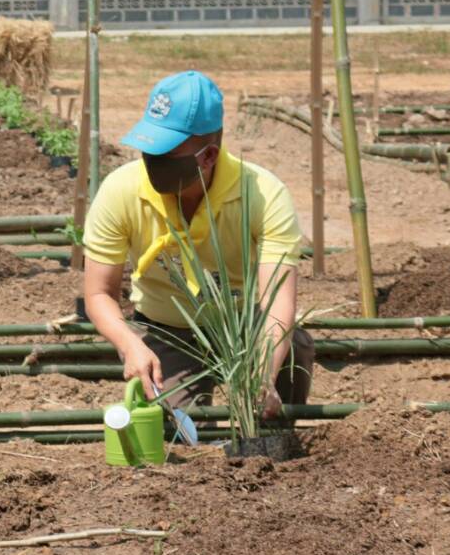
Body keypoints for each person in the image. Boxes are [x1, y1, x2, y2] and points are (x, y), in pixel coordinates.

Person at [81, 70, 312, 418]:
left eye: (166, 153)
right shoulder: (121, 191)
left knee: (291, 349)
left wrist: (263, 373)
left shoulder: (263, 195)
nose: (151, 161)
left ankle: (276, 440)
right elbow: (99, 294)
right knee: (177, 431)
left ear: (208, 156)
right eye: (148, 148)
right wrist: (130, 343)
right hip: (166, 328)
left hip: (243, 324)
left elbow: (277, 302)